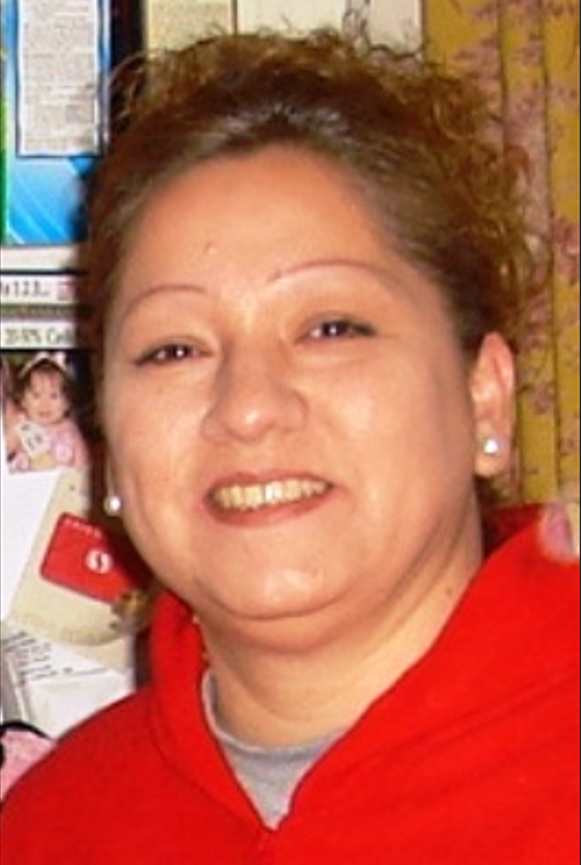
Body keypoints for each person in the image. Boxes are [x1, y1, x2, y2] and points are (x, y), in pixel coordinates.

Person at [2, 30, 578, 864]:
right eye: (173, 349)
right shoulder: (52, 828)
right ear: (112, 450)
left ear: (483, 395)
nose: (247, 407)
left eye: (330, 328)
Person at [6, 352, 89, 473]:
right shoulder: (22, 425)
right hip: (26, 483)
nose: (45, 404)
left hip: (61, 484)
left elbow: (82, 465)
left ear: (67, 402)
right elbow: (5, 449)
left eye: (54, 396)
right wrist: (14, 435)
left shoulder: (71, 430)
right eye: (36, 395)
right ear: (23, 400)